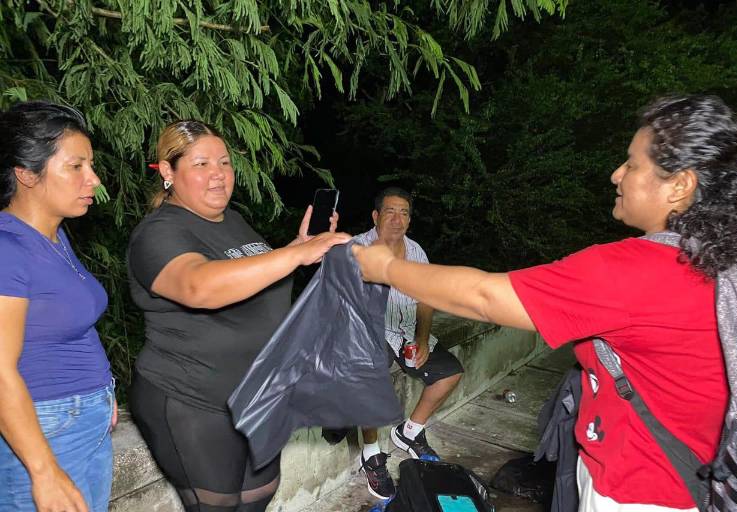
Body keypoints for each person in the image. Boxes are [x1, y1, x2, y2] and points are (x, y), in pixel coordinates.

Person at [352, 95, 737, 511]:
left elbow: (484, 296)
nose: (616, 174)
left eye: (632, 164)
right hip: (701, 482)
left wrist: (386, 268)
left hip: (638, 489)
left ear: (680, 184)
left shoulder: (641, 271)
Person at [126, 120, 350, 512]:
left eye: (225, 163)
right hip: (193, 400)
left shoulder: (231, 220)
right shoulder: (157, 233)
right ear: (167, 172)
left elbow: (250, 275)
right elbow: (200, 286)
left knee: (258, 498)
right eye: (201, 165)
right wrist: (295, 255)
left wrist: (299, 245)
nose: (218, 175)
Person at [0, 100, 116, 512]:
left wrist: (102, 391)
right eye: (76, 166)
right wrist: (43, 470)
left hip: (83, 421)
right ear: (26, 174)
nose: (94, 179)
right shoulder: (6, 249)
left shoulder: (53, 236)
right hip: (44, 433)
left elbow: (70, 323)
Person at [352, 187, 463, 500]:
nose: (397, 219)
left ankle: (409, 432)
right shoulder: (357, 248)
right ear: (376, 216)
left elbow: (426, 297)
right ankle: (371, 453)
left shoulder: (416, 251)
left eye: (404, 213)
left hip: (405, 332)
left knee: (450, 371)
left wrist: (422, 338)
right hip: (369, 332)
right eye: (390, 211)